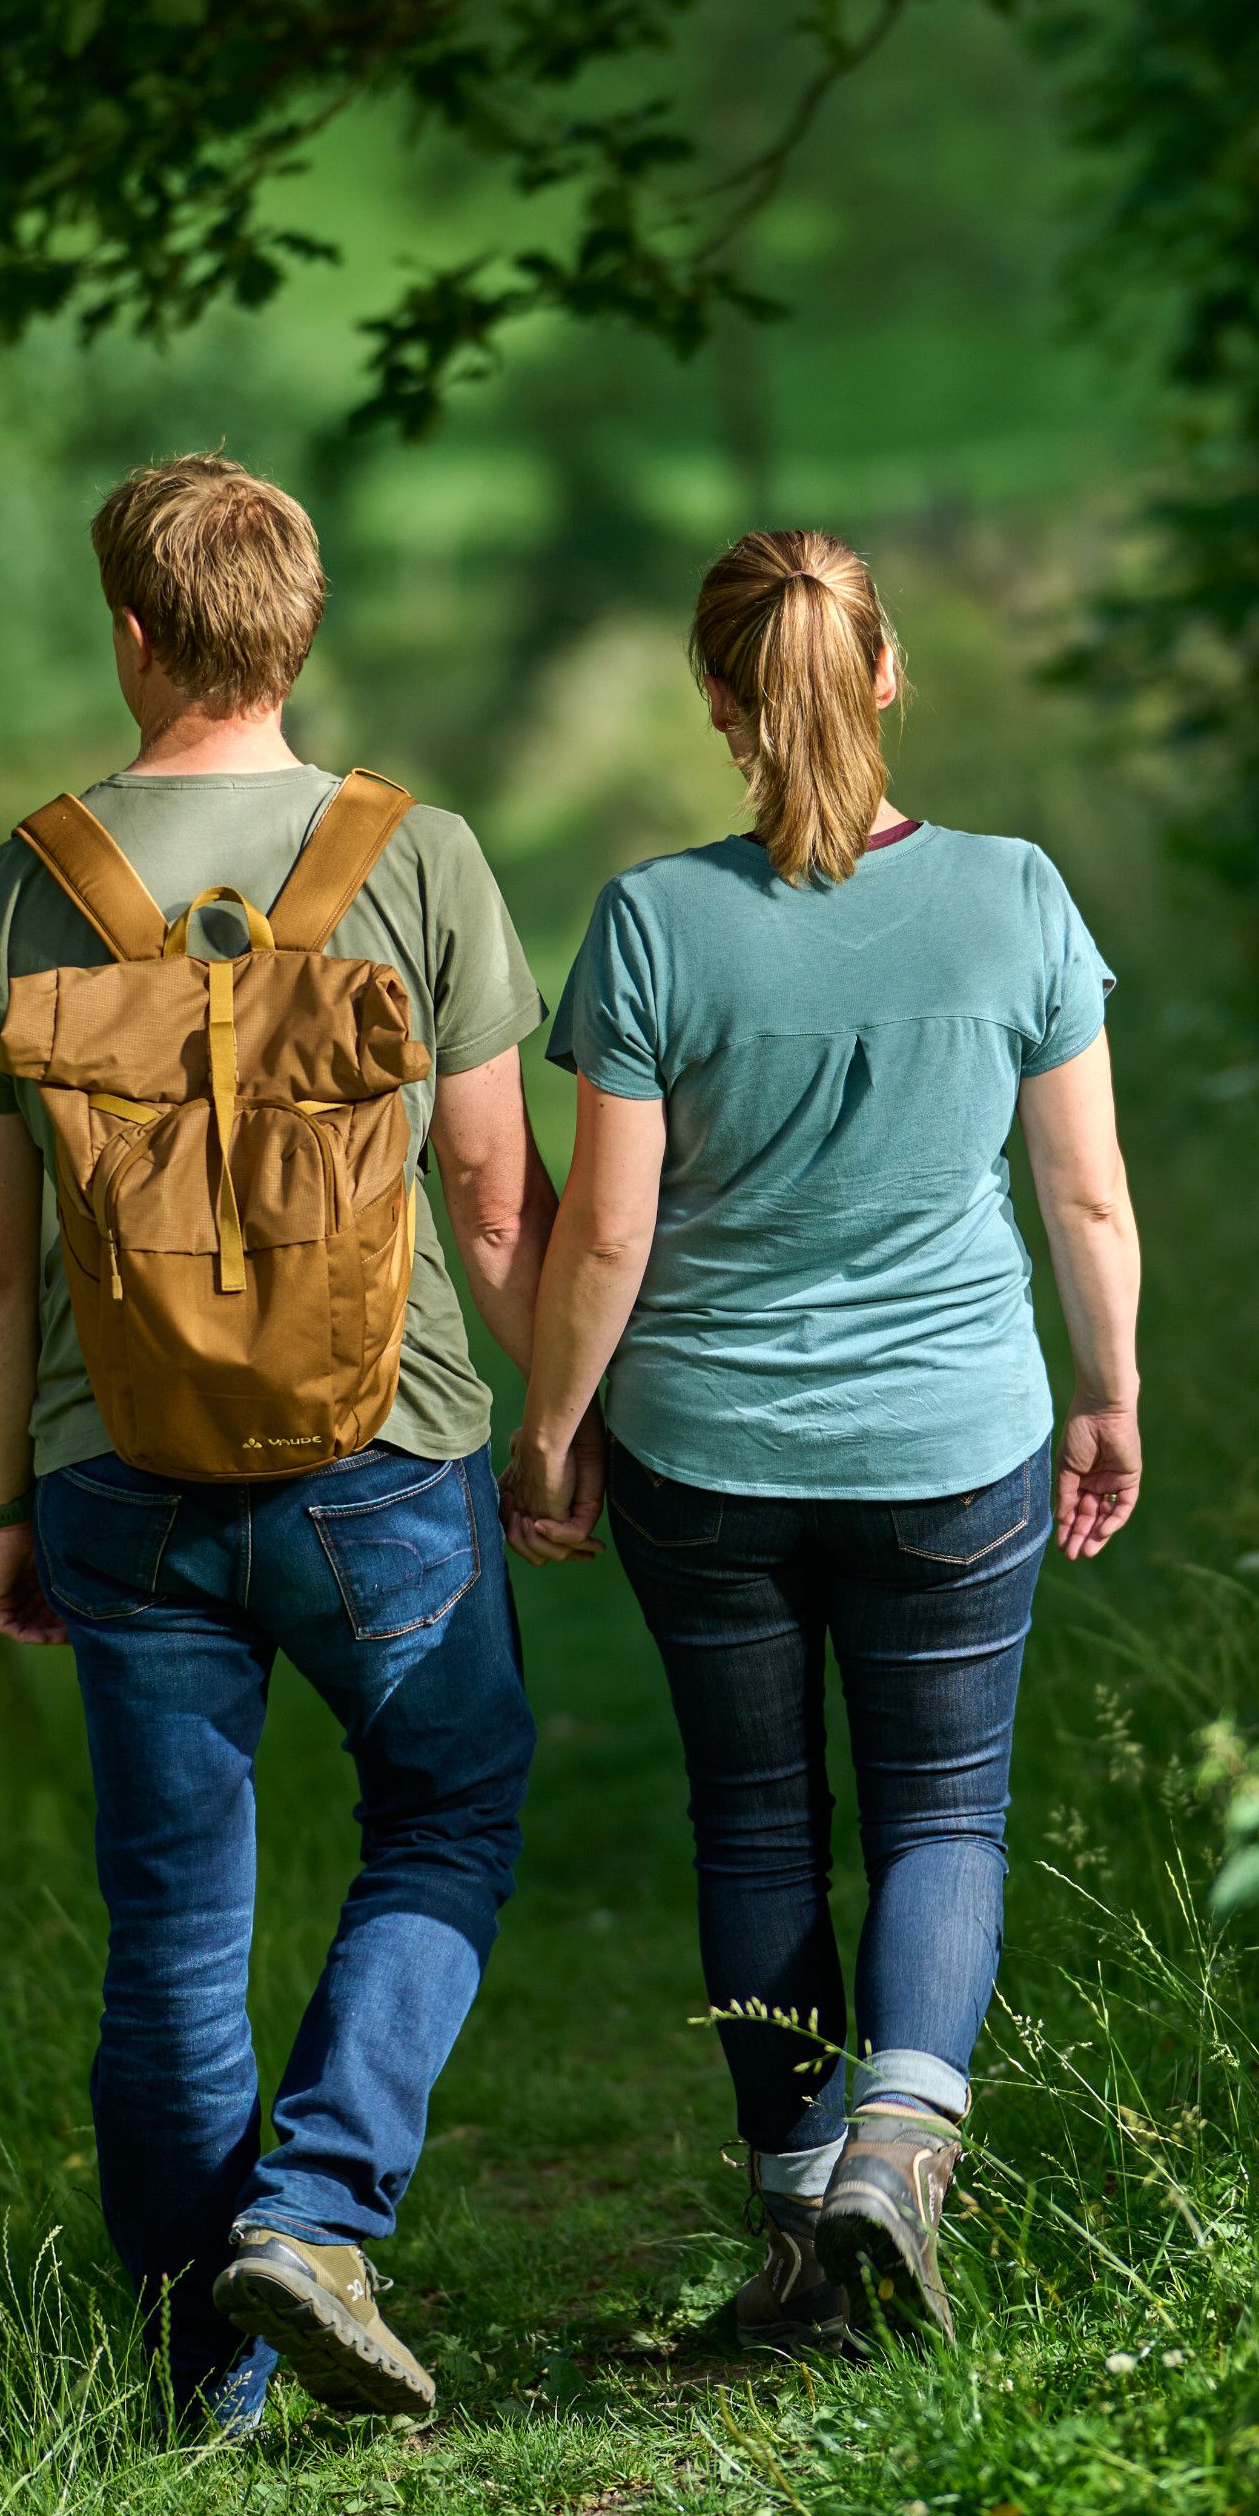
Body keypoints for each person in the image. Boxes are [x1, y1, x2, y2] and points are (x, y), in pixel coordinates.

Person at [0, 452, 562, 2434]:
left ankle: (207, 2386)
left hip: (119, 1471)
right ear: (300, 623)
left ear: (129, 630)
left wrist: (6, 1504)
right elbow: (491, 1187)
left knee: (176, 1915)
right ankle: (319, 2203)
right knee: (447, 1812)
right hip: (386, 1451)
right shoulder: (418, 854)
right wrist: (553, 1432)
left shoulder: (14, 888)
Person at [502, 528, 1143, 2344]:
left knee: (756, 1825)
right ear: (887, 675)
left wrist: (554, 1432)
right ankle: (900, 2146)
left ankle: (798, 2238)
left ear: (718, 703)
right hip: (955, 1439)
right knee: (944, 1809)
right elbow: (1085, 1198)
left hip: (709, 1455)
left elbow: (610, 1232)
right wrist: (1111, 1391)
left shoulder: (649, 920)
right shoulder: (1018, 895)